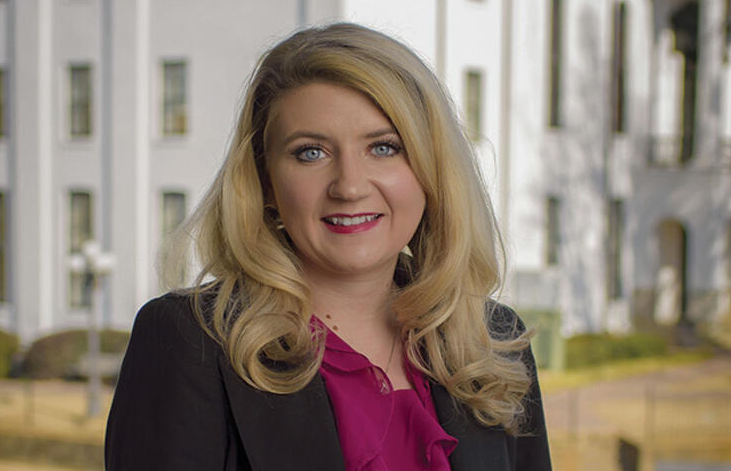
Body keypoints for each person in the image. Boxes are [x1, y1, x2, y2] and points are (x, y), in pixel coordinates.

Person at [105, 23, 552, 470]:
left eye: (383, 147)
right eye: (310, 153)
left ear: (430, 169)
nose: (350, 186)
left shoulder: (492, 343)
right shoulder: (190, 343)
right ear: (266, 182)